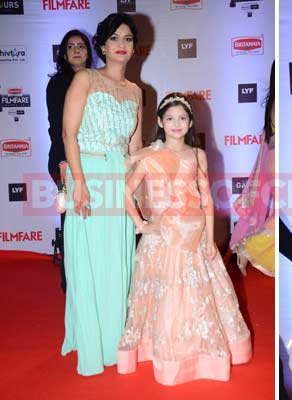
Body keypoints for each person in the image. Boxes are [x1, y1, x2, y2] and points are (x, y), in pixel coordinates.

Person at [117, 93, 252, 385]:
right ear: (160, 122)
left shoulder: (197, 154)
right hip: (163, 237)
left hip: (195, 235)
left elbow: (206, 200)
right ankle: (169, 357)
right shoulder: (150, 156)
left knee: (200, 296)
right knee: (168, 298)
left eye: (182, 118)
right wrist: (141, 224)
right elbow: (126, 192)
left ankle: (202, 354)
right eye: (170, 118)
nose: (176, 123)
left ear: (190, 123)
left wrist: (209, 238)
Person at [61, 13, 143, 376]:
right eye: (114, 38)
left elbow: (135, 149)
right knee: (90, 260)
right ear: (103, 45)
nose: (121, 45)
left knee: (117, 259)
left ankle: (115, 339)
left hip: (119, 180)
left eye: (128, 39)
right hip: (89, 175)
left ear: (134, 47)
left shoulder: (136, 92)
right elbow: (69, 134)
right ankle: (91, 340)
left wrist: (136, 192)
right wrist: (78, 182)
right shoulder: (85, 79)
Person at [46, 29, 93, 293]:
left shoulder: (97, 80)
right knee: (71, 222)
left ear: (88, 52)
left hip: (93, 160)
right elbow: (58, 128)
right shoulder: (57, 84)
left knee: (93, 217)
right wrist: (65, 164)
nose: (76, 50)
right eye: (71, 46)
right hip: (64, 161)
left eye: (81, 46)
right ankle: (70, 281)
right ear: (64, 54)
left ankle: (92, 275)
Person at [230, 61, 275, 277]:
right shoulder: (278, 103)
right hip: (277, 157)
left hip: (274, 156)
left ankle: (248, 246)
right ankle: (248, 246)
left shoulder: (274, 102)